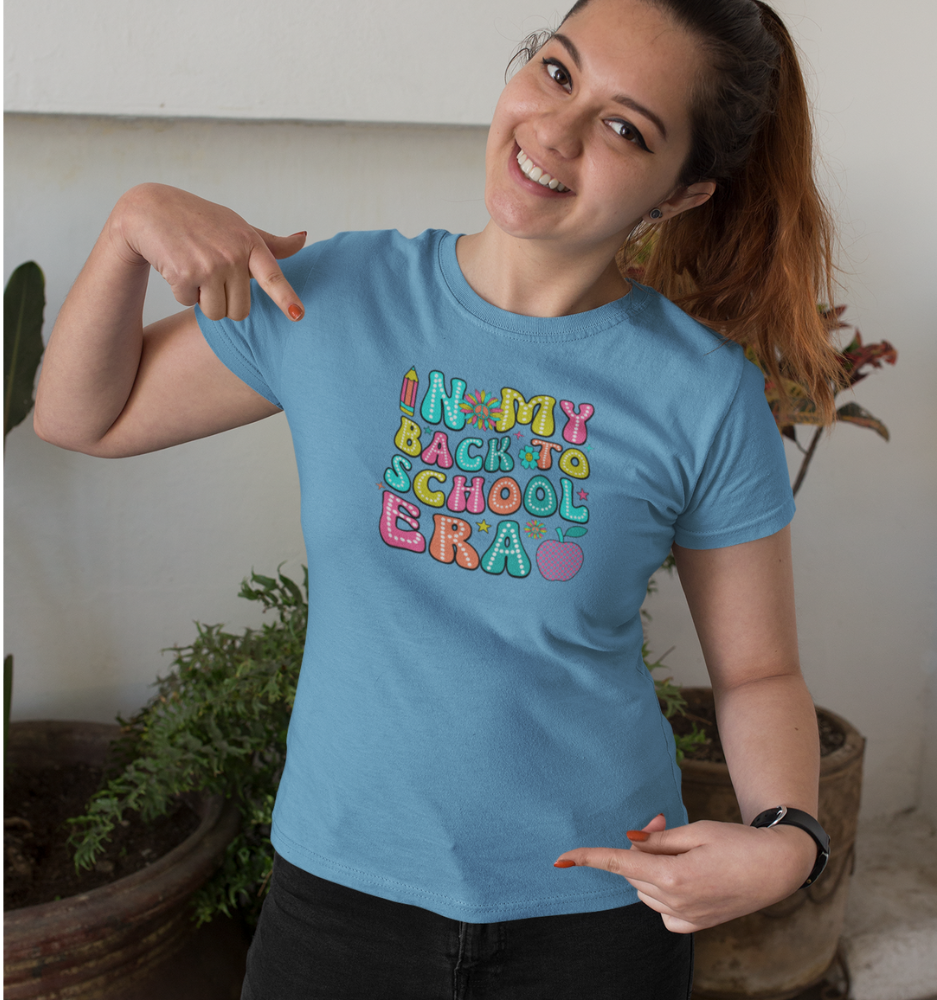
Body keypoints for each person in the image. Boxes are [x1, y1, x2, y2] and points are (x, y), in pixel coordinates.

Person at [34, 0, 846, 996]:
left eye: (623, 127)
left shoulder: (703, 394)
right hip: (339, 903)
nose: (554, 132)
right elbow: (83, 417)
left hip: (595, 920)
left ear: (678, 197)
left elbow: (759, 671)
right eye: (556, 73)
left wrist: (788, 837)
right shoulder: (336, 295)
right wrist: (129, 228)